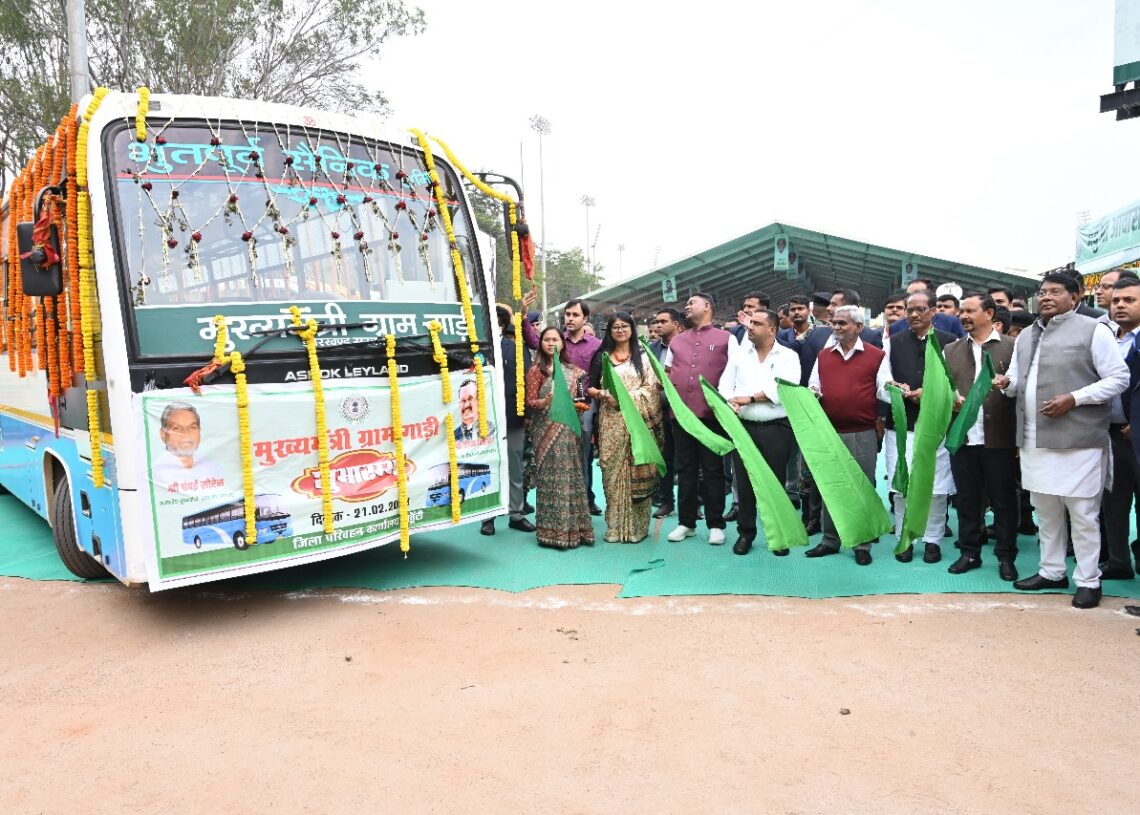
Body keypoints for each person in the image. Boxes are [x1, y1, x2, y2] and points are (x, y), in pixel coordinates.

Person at [994, 272, 1128, 608]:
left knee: (1082, 512)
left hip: (1078, 440)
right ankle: (1052, 571)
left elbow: (1118, 378)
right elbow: (1017, 381)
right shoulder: (1025, 336)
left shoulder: (1094, 329)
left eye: (1056, 291)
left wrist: (1075, 398)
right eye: (1043, 292)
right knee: (1045, 510)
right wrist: (1005, 384)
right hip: (1033, 439)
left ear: (1076, 295)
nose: (1047, 297)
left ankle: (1088, 580)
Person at [802, 305, 887, 564]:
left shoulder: (877, 356)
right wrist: (814, 392)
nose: (836, 328)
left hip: (862, 432)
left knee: (861, 486)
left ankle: (862, 544)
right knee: (831, 487)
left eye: (842, 324)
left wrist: (895, 390)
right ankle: (830, 540)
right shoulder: (824, 355)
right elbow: (813, 385)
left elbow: (883, 390)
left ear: (859, 327)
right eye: (834, 323)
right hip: (830, 432)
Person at [942, 293, 1019, 580]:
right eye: (962, 311)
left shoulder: (1013, 347)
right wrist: (951, 399)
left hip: (999, 437)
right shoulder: (950, 349)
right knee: (967, 499)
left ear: (989, 313)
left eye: (970, 310)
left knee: (1003, 500)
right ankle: (970, 552)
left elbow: (1020, 389)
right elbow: (941, 386)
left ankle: (1006, 556)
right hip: (963, 437)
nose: (964, 316)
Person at [879, 289, 957, 563]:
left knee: (936, 488)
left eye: (919, 309)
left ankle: (933, 540)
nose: (913, 315)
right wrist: (893, 387)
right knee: (902, 486)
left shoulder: (950, 343)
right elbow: (881, 381)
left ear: (933, 312)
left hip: (936, 427)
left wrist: (929, 392)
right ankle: (905, 537)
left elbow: (955, 384)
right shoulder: (893, 342)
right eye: (909, 309)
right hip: (901, 426)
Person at [717, 309, 801, 555]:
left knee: (775, 483)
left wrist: (748, 398)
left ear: (772, 329)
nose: (750, 327)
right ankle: (746, 534)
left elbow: (783, 388)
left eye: (756, 323)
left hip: (777, 429)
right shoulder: (740, 356)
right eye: (750, 322)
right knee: (744, 484)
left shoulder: (788, 356)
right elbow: (724, 384)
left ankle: (780, 537)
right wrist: (729, 401)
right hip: (743, 429)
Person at [521, 290, 603, 515]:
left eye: (575, 315)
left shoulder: (596, 345)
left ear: (585, 319)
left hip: (583, 407)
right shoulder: (555, 340)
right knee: (555, 459)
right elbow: (531, 339)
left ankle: (585, 499)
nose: (570, 318)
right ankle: (556, 509)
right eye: (567, 314)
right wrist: (523, 313)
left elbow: (602, 373)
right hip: (550, 412)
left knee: (582, 455)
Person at [587, 312, 664, 542]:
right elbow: (589, 387)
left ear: (631, 329)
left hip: (638, 423)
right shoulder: (602, 356)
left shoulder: (643, 355)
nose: (620, 330)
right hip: (610, 422)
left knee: (638, 471)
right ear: (609, 331)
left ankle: (636, 529)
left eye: (624, 326)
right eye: (615, 327)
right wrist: (603, 394)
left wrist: (624, 398)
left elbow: (652, 388)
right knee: (612, 472)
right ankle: (615, 528)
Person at [664, 292, 733, 545]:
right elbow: (668, 373)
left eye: (692, 302)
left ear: (707, 307)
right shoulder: (677, 341)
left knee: (713, 469)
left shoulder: (727, 339)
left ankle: (716, 523)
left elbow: (733, 373)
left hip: (710, 415)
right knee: (685, 469)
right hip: (681, 416)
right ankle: (686, 522)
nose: (687, 306)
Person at [524, 327, 595, 549]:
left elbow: (582, 400)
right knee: (550, 479)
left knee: (572, 476)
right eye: (546, 339)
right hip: (545, 431)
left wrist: (580, 407)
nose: (551, 343)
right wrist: (546, 402)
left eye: (555, 339)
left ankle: (577, 530)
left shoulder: (574, 371)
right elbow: (530, 402)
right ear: (541, 343)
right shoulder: (537, 371)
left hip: (569, 430)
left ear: (562, 343)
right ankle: (551, 532)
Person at [1099, 276, 1140, 580]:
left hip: (1135, 435)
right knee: (1113, 503)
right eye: (1116, 301)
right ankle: (1118, 561)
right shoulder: (1106, 339)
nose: (1120, 305)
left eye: (1129, 300)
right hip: (1108, 435)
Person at [482, 306, 534, 536]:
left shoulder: (517, 350)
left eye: (495, 322)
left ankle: (516, 514)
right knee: (488, 465)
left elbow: (529, 383)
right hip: (484, 420)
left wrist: (528, 415)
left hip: (514, 416)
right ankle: (487, 517)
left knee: (515, 466)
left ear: (502, 325)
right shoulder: (475, 351)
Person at [650, 307, 684, 518]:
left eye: (663, 321)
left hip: (685, 410)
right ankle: (666, 501)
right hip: (659, 411)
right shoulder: (651, 349)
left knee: (688, 458)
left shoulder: (687, 347)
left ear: (677, 325)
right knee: (664, 457)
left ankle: (694, 502)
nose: (659, 325)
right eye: (657, 321)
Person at [153, 402, 226, 491]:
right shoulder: (155, 474)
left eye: (192, 427)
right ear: (163, 434)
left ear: (199, 431)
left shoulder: (214, 468)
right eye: (177, 428)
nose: (186, 434)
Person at [454, 379, 496, 448]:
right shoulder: (453, 436)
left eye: (470, 399)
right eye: (463, 401)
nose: (467, 405)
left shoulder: (492, 429)